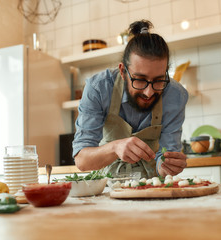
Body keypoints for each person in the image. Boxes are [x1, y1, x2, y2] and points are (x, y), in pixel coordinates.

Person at [72, 20, 188, 179]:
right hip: (105, 187)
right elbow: (82, 161)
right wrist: (114, 148)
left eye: (159, 80)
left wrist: (168, 166)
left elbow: (165, 158)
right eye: (140, 80)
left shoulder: (175, 95)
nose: (149, 92)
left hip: (152, 186)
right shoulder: (98, 88)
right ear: (122, 71)